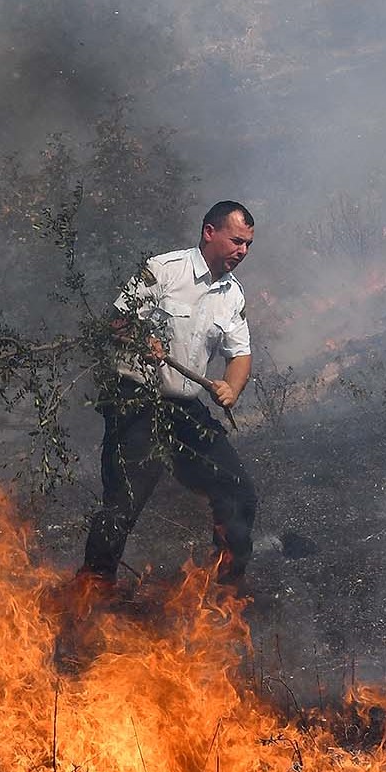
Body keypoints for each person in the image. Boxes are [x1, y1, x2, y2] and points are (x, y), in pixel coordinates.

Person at [80, 201, 259, 590]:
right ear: (209, 232)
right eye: (236, 241)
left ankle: (224, 591)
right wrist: (142, 338)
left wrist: (232, 385)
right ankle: (91, 592)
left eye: (247, 245)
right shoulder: (163, 270)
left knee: (238, 490)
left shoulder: (232, 294)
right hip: (137, 401)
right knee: (125, 501)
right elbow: (114, 322)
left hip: (184, 408)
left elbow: (240, 353)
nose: (242, 251)